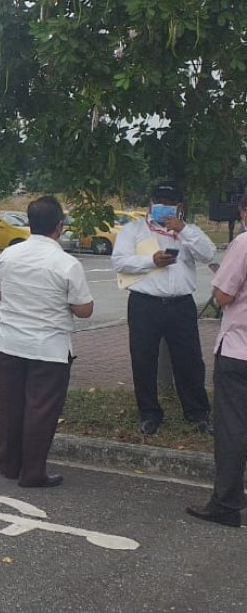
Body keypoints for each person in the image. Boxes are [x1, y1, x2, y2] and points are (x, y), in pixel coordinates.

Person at [0, 196, 94, 488]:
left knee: (9, 405)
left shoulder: (8, 255)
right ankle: (33, 472)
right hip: (49, 348)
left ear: (29, 222)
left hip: (10, 342)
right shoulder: (67, 263)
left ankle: (9, 464)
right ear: (60, 226)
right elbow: (84, 310)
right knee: (41, 409)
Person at [111, 181, 216, 436]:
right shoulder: (134, 230)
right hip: (145, 304)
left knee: (190, 360)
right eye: (159, 202)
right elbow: (119, 261)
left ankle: (197, 413)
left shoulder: (189, 232)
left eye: (170, 203)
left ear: (179, 206)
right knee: (143, 359)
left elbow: (208, 254)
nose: (164, 207)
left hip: (180, 304)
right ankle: (149, 413)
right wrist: (151, 261)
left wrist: (184, 231)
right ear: (151, 202)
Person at [187, 195, 247, 527]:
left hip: (239, 351)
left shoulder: (243, 242)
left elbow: (223, 296)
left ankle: (226, 503)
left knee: (232, 430)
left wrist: (221, 275)